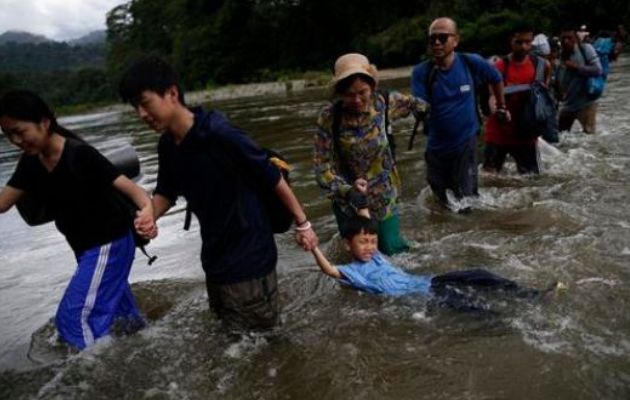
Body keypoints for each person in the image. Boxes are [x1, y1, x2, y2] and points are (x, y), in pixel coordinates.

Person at [119, 56, 318, 332]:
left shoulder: (218, 132)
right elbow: (166, 192)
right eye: (135, 107)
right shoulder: (168, 145)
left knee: (260, 342)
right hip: (215, 258)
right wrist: (148, 215)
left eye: (145, 103)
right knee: (233, 339)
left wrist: (303, 224)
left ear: (172, 93)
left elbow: (272, 177)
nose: (141, 114)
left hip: (250, 254)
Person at [0, 90, 154, 350]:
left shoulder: (80, 154)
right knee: (125, 321)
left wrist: (148, 216)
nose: (16, 140)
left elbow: (136, 192)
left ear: (44, 123)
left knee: (71, 319)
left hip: (109, 244)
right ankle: (149, 351)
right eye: (8, 135)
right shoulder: (31, 163)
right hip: (85, 250)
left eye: (20, 131)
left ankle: (97, 380)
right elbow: (3, 204)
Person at [311, 214, 561, 311]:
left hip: (430, 281)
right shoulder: (353, 271)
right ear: (347, 245)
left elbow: (367, 221)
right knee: (468, 304)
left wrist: (361, 194)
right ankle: (510, 318)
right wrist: (313, 247)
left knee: (478, 274)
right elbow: (329, 270)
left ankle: (531, 295)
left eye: (372, 241)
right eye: (362, 243)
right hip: (421, 297)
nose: (369, 247)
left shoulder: (374, 254)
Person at [314, 53, 428, 256]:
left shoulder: (385, 102)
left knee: (394, 251)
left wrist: (429, 118)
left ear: (372, 87)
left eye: (362, 92)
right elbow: (321, 168)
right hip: (347, 199)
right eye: (349, 94)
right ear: (339, 93)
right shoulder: (330, 117)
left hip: (384, 194)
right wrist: (348, 191)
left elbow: (420, 105)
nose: (357, 100)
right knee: (359, 256)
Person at [411, 17, 508, 208]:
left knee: (466, 201)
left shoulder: (470, 62)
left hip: (465, 142)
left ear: (455, 40)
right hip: (436, 146)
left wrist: (501, 106)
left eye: (443, 37)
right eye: (433, 39)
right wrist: (414, 109)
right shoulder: (422, 72)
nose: (437, 42)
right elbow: (419, 105)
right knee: (441, 202)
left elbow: (496, 78)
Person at [483, 24, 552, 174]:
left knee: (533, 181)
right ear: (511, 41)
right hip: (498, 133)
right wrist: (498, 110)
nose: (524, 47)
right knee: (489, 179)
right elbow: (492, 97)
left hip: (526, 135)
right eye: (519, 42)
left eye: (528, 42)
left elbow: (543, 98)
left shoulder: (542, 66)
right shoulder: (499, 67)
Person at [555, 26, 603, 134]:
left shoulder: (586, 49)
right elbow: (559, 80)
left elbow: (598, 70)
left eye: (569, 38)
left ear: (576, 38)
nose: (566, 41)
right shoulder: (559, 55)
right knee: (559, 138)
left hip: (586, 103)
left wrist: (577, 67)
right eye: (563, 38)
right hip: (568, 104)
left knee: (590, 138)